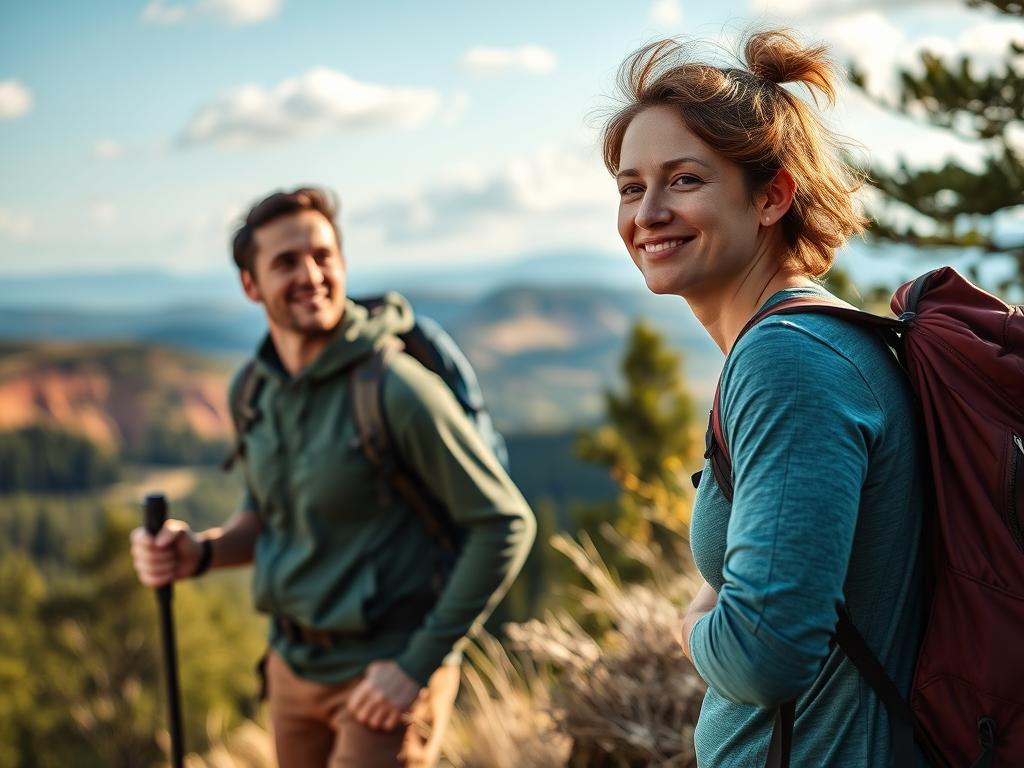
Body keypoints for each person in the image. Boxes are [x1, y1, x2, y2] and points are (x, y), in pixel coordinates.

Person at [601, 30, 926, 766]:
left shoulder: (790, 362)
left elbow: (763, 654)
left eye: (685, 180)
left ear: (772, 196)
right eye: (631, 186)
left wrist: (691, 626)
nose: (648, 212)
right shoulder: (812, 339)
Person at [129, 187, 536, 768]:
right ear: (250, 285)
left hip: (384, 675)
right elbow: (270, 515)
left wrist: (415, 666)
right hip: (290, 671)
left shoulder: (395, 389)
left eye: (323, 256)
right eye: (286, 262)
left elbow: (505, 523)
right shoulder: (253, 390)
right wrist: (199, 553)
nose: (311, 275)